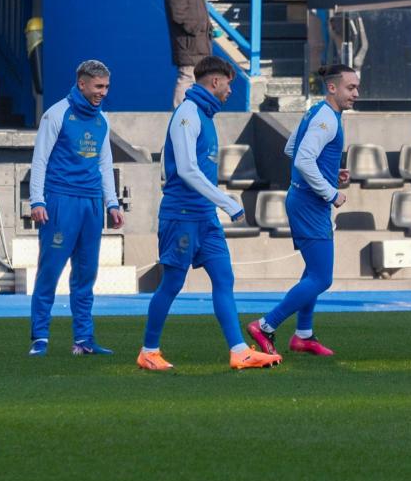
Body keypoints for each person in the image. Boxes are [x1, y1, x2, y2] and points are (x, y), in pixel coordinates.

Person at [139, 55, 280, 372]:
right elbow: (187, 169)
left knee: (223, 278)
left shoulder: (205, 115)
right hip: (181, 214)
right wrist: (227, 201)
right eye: (229, 83)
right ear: (215, 81)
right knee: (173, 283)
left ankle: (240, 351)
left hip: (204, 216)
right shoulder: (187, 114)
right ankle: (149, 350)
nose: (231, 90)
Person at [247, 65, 358, 357]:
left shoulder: (318, 113)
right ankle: (266, 325)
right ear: (332, 88)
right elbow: (302, 160)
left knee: (313, 272)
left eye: (356, 87)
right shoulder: (327, 119)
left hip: (305, 199)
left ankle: (304, 335)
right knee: (322, 278)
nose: (356, 93)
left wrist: (331, 173)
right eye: (351, 88)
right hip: (310, 203)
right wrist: (330, 192)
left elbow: (291, 149)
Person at [27, 60, 122, 356]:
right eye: (98, 86)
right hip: (61, 201)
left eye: (106, 86)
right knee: (50, 271)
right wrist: (37, 200)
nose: (103, 92)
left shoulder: (102, 120)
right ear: (82, 84)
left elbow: (105, 164)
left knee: (86, 274)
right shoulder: (56, 114)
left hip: (92, 204)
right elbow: (39, 160)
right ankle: (40, 337)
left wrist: (113, 202)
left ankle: (83, 340)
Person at [163, 0, 210, 106]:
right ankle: (179, 114)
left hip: (199, 42)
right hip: (188, 43)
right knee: (187, 77)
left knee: (198, 80)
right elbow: (179, 14)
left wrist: (207, 28)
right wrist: (199, 28)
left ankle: (193, 115)